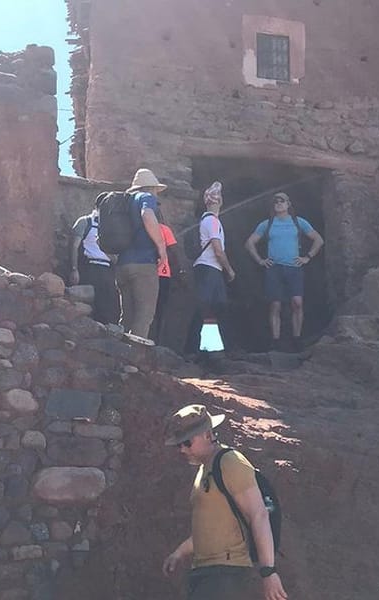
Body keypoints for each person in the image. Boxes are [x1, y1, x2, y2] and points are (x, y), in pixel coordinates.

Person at [162, 404, 288, 600]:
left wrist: (268, 571)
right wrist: (179, 553)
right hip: (206, 572)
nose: (182, 449)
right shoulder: (205, 469)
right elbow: (211, 527)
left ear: (207, 434)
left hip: (227, 573)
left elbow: (258, 514)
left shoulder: (230, 462)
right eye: (179, 445)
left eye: (187, 442)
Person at [245, 192, 324, 353]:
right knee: (275, 304)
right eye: (276, 201)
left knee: (297, 302)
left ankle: (297, 338)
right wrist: (260, 260)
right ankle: (275, 340)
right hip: (274, 268)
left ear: (288, 204)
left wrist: (308, 257)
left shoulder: (298, 222)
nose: (279, 203)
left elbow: (318, 239)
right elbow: (249, 243)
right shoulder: (267, 224)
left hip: (294, 267)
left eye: (282, 201)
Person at [116, 168, 168, 339]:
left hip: (122, 265)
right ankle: (135, 353)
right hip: (143, 264)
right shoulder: (146, 197)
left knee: (127, 315)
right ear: (151, 188)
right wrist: (161, 247)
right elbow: (147, 215)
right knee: (144, 314)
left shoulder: (124, 203)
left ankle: (120, 351)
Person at [191, 182, 235, 361]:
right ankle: (202, 350)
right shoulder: (213, 221)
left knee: (211, 308)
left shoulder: (205, 220)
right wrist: (229, 270)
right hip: (210, 268)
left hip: (207, 268)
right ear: (220, 202)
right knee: (210, 308)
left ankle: (206, 348)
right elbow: (218, 249)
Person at [69, 204, 120, 325]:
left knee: (107, 305)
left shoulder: (112, 227)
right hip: (89, 268)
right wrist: (74, 269)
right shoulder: (85, 222)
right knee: (89, 302)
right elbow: (74, 246)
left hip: (107, 270)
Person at [149, 212, 186, 345]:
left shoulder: (142, 228)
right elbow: (173, 251)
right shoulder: (164, 229)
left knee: (146, 309)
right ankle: (157, 342)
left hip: (147, 273)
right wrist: (180, 271)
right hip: (163, 274)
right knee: (160, 310)